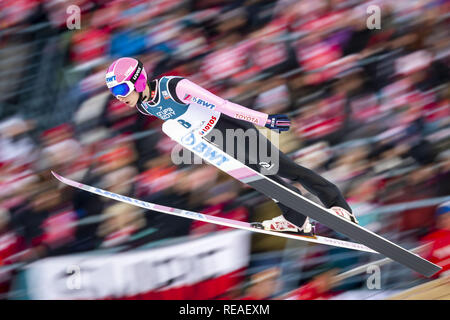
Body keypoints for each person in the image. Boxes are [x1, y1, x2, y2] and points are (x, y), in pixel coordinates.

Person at [104, 57, 358, 234]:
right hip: (213, 139)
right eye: (115, 93)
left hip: (230, 128)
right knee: (261, 180)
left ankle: (337, 204)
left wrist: (265, 120)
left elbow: (222, 105)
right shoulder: (143, 105)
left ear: (138, 80)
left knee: (283, 168)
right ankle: (297, 220)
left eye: (123, 88)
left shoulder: (174, 87)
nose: (120, 97)